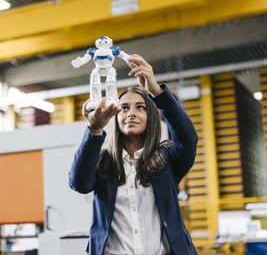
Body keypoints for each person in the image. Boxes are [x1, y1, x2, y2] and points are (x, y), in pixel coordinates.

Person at [69, 54, 198, 255]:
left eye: (140, 108)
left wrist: (156, 91)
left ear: (151, 117)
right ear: (115, 117)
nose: (131, 113)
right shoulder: (103, 162)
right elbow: (79, 183)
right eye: (124, 108)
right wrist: (94, 131)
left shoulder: (166, 161)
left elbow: (188, 139)